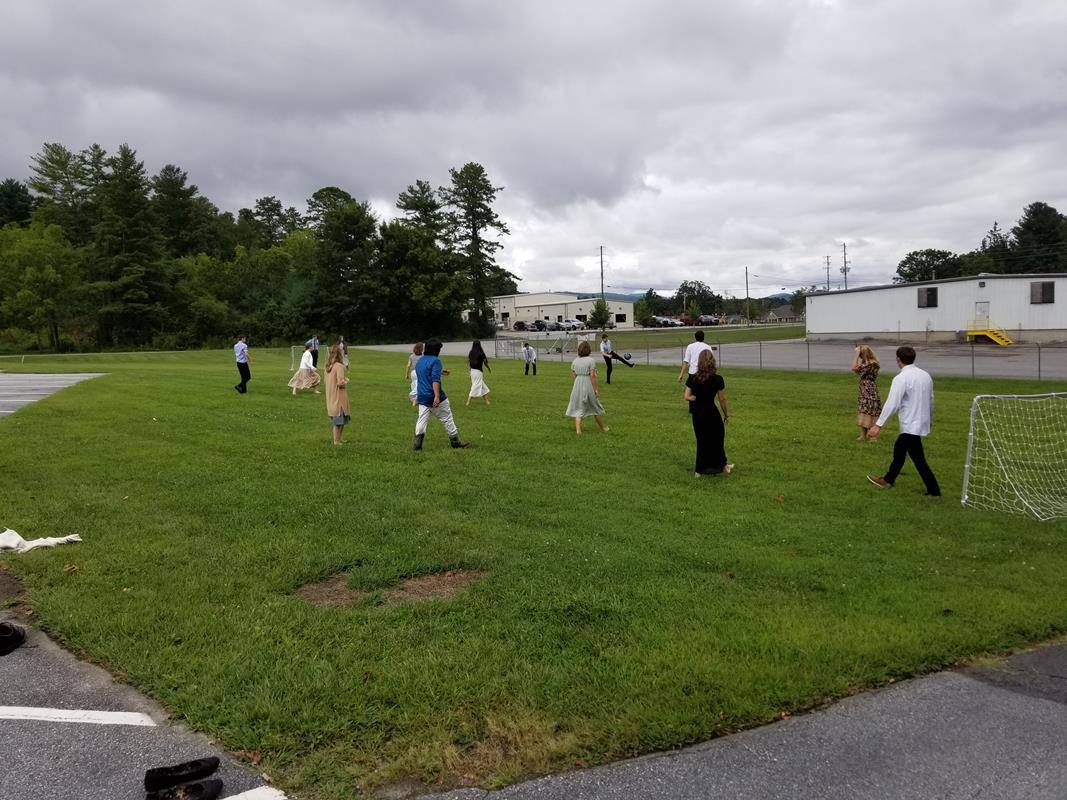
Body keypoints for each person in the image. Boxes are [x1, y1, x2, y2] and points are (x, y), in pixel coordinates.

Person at [866, 346, 941, 496]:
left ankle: (934, 491)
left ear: (898, 359)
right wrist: (930, 419)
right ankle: (889, 479)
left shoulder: (901, 378)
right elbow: (931, 400)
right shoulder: (925, 376)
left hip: (910, 424)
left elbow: (892, 403)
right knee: (900, 450)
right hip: (919, 422)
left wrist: (878, 425)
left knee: (917, 458)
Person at [413, 338, 469, 450]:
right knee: (447, 417)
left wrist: (441, 371)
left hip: (422, 396)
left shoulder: (420, 360)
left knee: (422, 419)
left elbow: (425, 372)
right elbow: (435, 380)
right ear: (436, 350)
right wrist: (437, 396)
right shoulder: (436, 361)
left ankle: (417, 444)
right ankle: (455, 442)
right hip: (433, 395)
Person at [684, 350, 733, 477]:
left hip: (698, 414)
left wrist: (696, 398)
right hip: (711, 412)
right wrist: (727, 415)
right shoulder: (717, 379)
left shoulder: (693, 378)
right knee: (717, 438)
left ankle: (698, 471)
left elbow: (686, 396)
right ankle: (723, 465)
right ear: (712, 362)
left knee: (701, 441)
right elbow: (722, 399)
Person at [566, 341, 609, 435]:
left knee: (578, 407)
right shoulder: (591, 360)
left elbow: (573, 375)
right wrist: (595, 389)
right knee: (595, 406)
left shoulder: (575, 360)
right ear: (588, 350)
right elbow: (592, 376)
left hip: (577, 384)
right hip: (587, 383)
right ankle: (604, 428)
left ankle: (578, 430)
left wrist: (576, 386)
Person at [851, 345, 882, 441]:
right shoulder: (865, 363)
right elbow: (855, 369)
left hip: (870, 390)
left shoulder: (872, 364)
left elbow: (854, 368)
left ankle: (872, 435)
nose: (859, 357)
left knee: (870, 410)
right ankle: (863, 435)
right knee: (864, 410)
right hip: (864, 389)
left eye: (860, 355)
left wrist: (856, 354)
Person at [324, 344, 350, 445]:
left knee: (341, 420)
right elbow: (340, 383)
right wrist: (346, 381)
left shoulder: (327, 367)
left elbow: (326, 382)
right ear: (340, 354)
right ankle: (336, 440)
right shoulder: (339, 366)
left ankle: (339, 438)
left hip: (331, 397)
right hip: (339, 398)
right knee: (338, 421)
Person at [466, 340, 491, 406]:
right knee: (476, 385)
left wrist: (469, 372)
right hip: (478, 372)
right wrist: (488, 368)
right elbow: (485, 362)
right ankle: (468, 401)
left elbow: (469, 362)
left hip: (472, 371)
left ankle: (487, 401)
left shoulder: (471, 352)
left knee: (482, 386)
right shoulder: (481, 353)